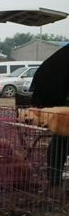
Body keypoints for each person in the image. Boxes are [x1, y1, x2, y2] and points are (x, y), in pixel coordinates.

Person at [30, 44, 69, 198]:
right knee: (61, 137)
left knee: (61, 138)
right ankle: (54, 185)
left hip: (52, 94)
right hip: (53, 95)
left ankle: (55, 184)